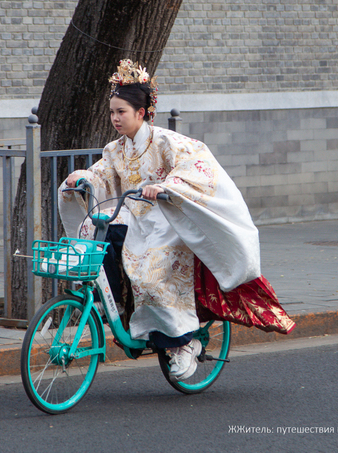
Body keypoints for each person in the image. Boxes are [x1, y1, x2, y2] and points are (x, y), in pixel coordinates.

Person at [59, 59, 295, 381]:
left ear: (141, 113)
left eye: (121, 112)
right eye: (112, 112)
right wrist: (83, 178)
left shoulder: (166, 141)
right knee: (95, 230)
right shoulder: (115, 149)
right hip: (132, 215)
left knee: (151, 272)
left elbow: (198, 165)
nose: (115, 118)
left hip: (165, 220)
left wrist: (167, 187)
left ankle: (184, 342)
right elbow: (102, 174)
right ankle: (113, 304)